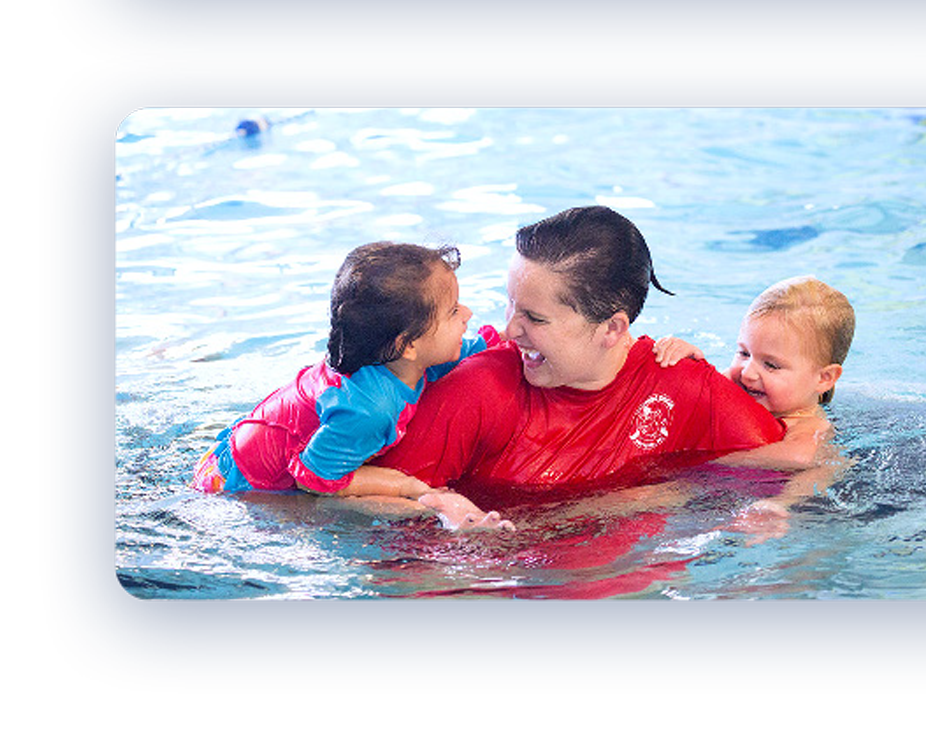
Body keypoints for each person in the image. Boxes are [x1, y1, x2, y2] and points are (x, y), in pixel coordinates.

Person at [372, 207, 826, 503]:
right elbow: (356, 503)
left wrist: (676, 484)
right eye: (510, 303)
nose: (510, 330)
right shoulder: (476, 391)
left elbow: (807, 456)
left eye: (536, 318)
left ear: (613, 328)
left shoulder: (684, 388)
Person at [189, 241, 509, 529]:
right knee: (407, 503)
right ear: (407, 345)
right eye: (453, 311)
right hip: (242, 485)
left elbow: (474, 347)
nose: (467, 313)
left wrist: (512, 334)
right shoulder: (371, 408)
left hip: (239, 449)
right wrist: (407, 487)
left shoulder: (395, 358)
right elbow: (314, 479)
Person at [656, 275, 856, 535]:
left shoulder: (809, 423)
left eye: (770, 365)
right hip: (720, 486)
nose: (748, 373)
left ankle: (779, 505)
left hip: (768, 493)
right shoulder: (742, 383)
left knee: (824, 467)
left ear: (823, 378)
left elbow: (801, 457)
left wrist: (707, 460)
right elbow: (704, 384)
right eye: (744, 353)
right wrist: (687, 358)